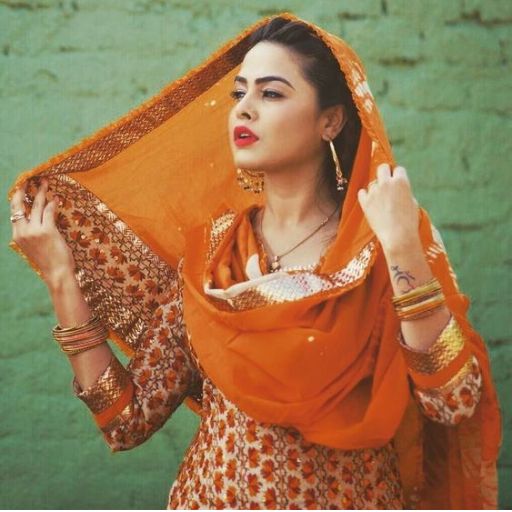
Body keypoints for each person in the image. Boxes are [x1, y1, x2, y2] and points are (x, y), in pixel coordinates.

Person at [7, 12, 501, 510]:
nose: (243, 110)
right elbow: (126, 420)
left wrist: (402, 252)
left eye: (271, 93)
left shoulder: (383, 240)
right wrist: (60, 278)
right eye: (238, 92)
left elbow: (454, 401)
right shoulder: (213, 256)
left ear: (330, 120)